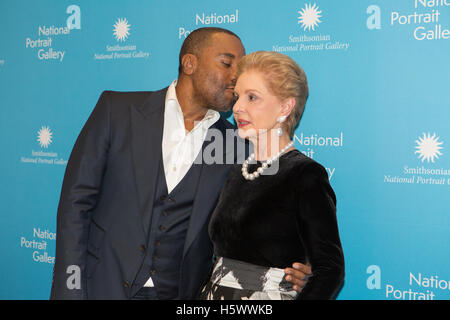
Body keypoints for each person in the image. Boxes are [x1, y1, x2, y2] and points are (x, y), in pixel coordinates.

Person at [50, 28, 311, 300]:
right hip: (99, 287)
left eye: (241, 68)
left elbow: (254, 226)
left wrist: (294, 264)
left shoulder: (239, 145)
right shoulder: (116, 111)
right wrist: (70, 289)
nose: (237, 76)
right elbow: (75, 205)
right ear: (190, 63)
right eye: (227, 63)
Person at [200, 51, 345, 300]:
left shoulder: (305, 174)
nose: (237, 107)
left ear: (285, 107)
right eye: (237, 96)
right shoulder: (238, 170)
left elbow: (330, 269)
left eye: (252, 97)